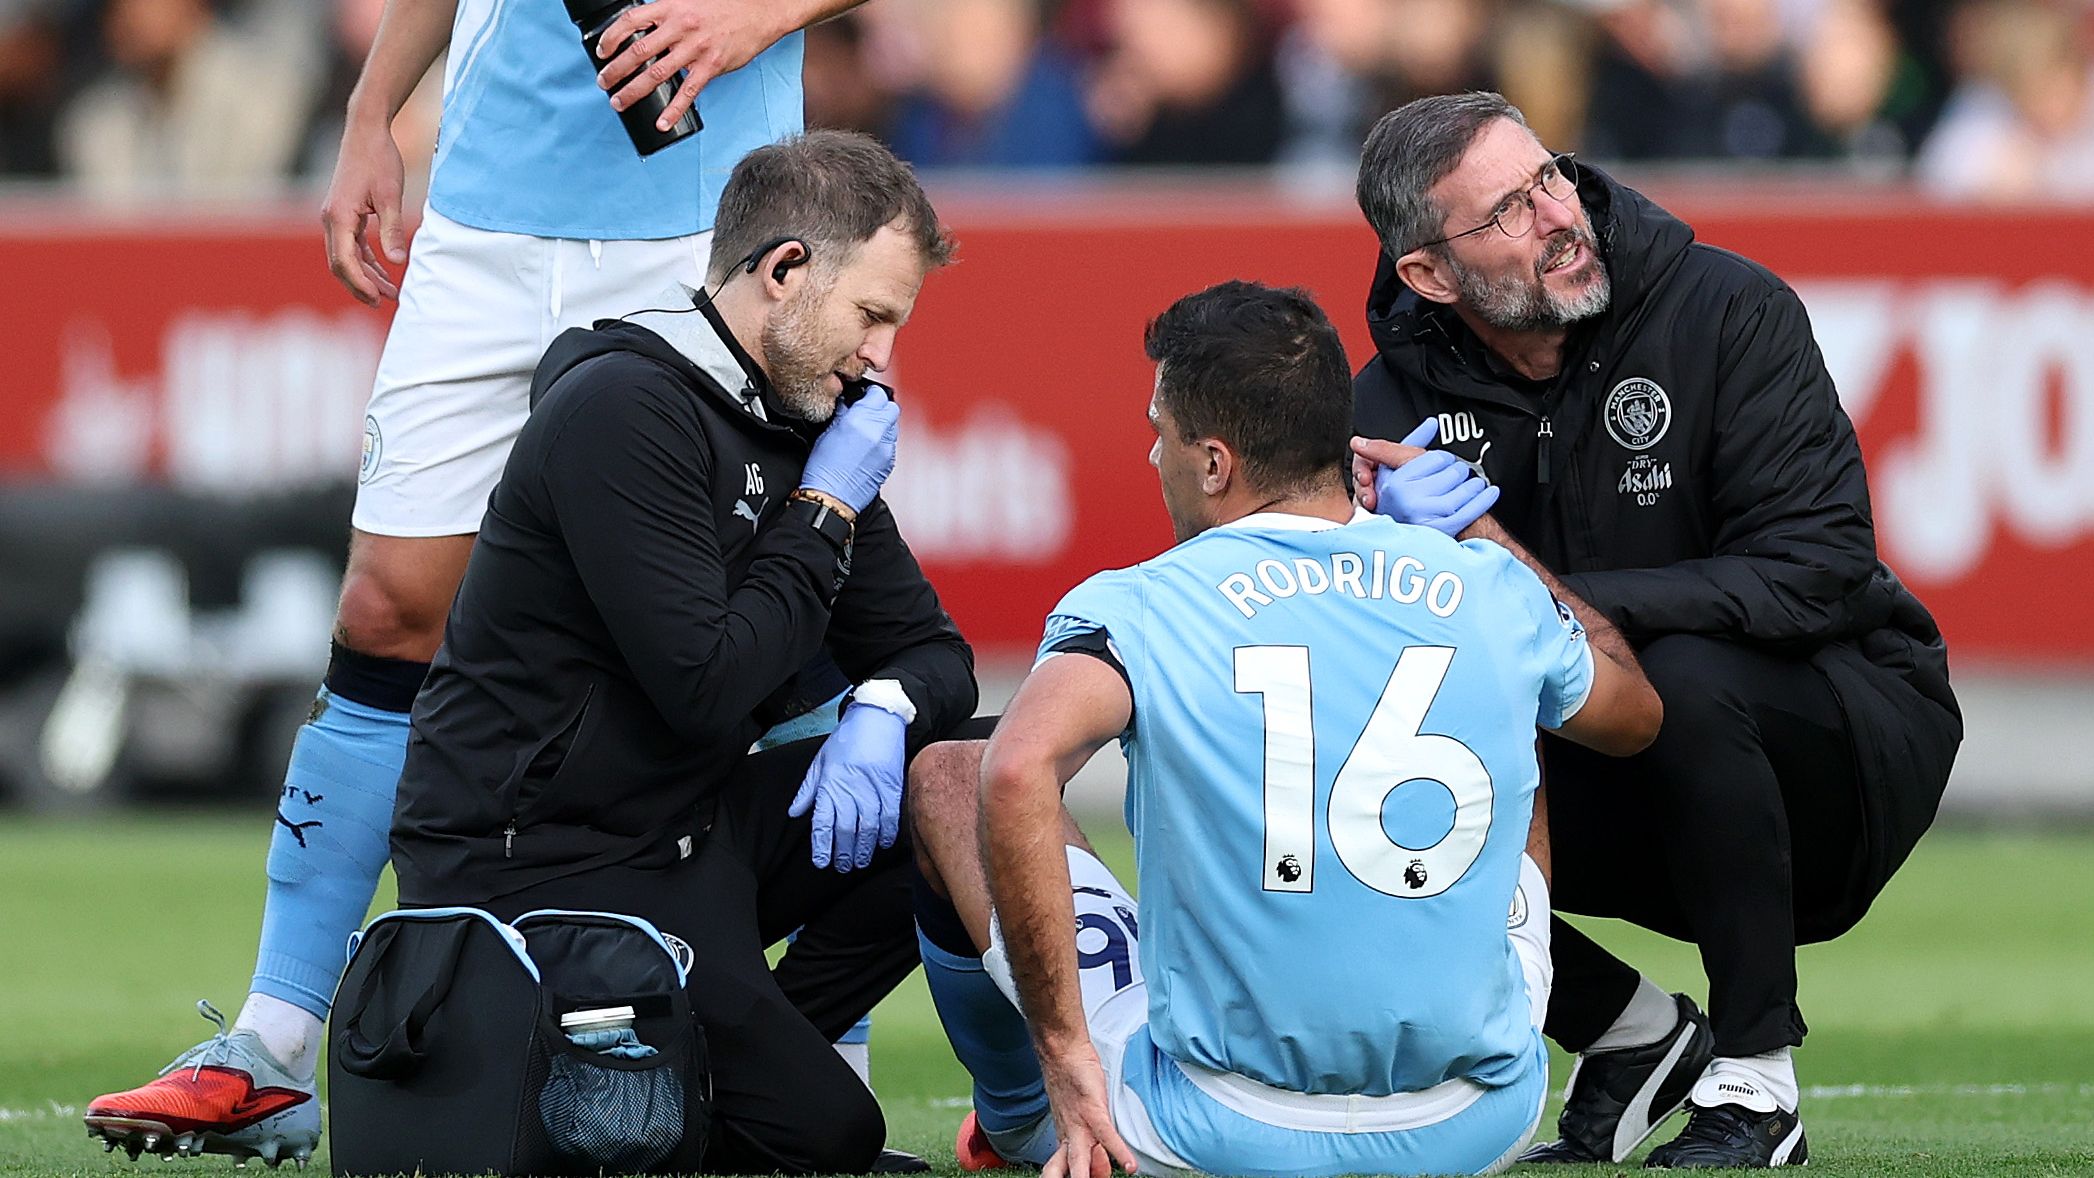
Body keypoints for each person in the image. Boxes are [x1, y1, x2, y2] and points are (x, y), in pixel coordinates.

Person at [84, 0, 873, 1162]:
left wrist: (756, 15)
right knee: (388, 608)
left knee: (757, 620)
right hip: (486, 216)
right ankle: (277, 1042)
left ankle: (831, 1043)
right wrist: (371, 111)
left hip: (706, 215)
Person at [905, 280, 1663, 1178]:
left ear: (1217, 463)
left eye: (1163, 432)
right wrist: (1484, 536)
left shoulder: (1142, 601)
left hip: (1214, 1124)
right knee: (1513, 690)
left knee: (952, 772)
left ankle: (1029, 1120)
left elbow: (1017, 768)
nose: (1155, 456)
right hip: (1473, 1120)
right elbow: (1635, 718)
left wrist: (1068, 1054)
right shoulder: (1485, 586)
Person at [1349, 91, 1961, 1168]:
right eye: (1506, 211)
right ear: (1429, 275)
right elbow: (1365, 645)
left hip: (1846, 743)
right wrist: (1369, 556)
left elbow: (1817, 573)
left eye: (1551, 177)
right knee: (1359, 755)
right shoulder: (1388, 405)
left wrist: (1516, 572)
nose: (1556, 216)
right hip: (1615, 770)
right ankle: (1630, 1034)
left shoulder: (1727, 308)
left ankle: (1760, 1080)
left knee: (1679, 671)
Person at [386, 130, 975, 1174]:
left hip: (683, 828)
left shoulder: (807, 412)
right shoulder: (626, 408)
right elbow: (706, 684)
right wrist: (827, 505)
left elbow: (933, 650)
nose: (883, 354)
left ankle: (716, 1059)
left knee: (959, 781)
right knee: (837, 1136)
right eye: (873, 315)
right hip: (544, 862)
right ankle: (723, 1077)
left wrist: (883, 710)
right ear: (784, 270)